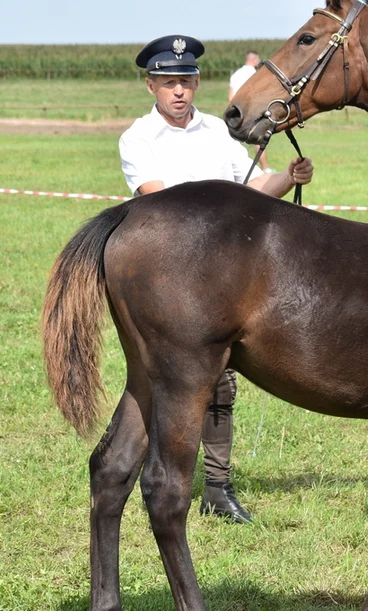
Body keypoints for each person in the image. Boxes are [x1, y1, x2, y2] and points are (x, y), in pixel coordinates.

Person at [120, 35, 314, 524]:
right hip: (168, 274)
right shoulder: (137, 139)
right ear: (151, 86)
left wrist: (287, 179)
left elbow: (251, 188)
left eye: (185, 81)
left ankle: (218, 486)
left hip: (223, 273)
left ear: (197, 82)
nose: (179, 91)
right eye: (169, 83)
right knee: (174, 381)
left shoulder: (218, 133)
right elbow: (157, 202)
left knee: (222, 382)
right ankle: (163, 470)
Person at [229, 50, 269, 171]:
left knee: (234, 145)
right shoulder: (257, 74)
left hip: (236, 114)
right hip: (253, 113)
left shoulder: (235, 74)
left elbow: (230, 97)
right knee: (258, 142)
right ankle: (265, 168)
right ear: (255, 60)